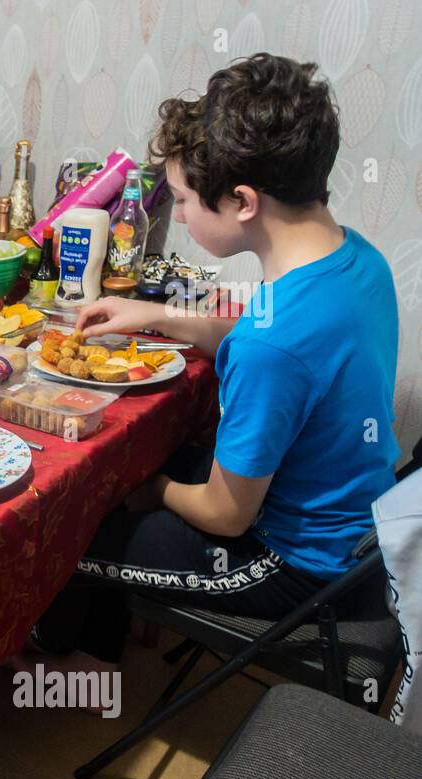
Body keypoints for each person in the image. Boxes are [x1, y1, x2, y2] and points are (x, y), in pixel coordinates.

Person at [30, 54, 400, 685]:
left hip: (292, 563)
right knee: (117, 470)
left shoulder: (271, 343)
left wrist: (155, 493)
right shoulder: (359, 262)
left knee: (73, 527)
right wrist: (159, 314)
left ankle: (73, 666)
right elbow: (288, 354)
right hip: (360, 528)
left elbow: (229, 515)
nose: (180, 215)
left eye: (180, 199)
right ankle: (97, 650)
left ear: (243, 201)